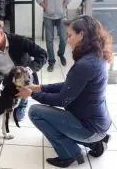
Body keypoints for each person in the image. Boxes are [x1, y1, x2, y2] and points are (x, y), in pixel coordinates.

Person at [16, 15, 112, 168]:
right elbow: (70, 85)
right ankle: (96, 144)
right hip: (99, 123)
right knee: (52, 117)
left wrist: (32, 94)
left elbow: (62, 100)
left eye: (70, 35)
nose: (68, 40)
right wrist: (40, 87)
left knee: (35, 112)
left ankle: (70, 154)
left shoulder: (85, 65)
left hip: (90, 127)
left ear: (82, 35)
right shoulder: (96, 56)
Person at [36, 0, 73, 72]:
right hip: (48, 16)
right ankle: (51, 61)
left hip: (61, 15)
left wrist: (63, 5)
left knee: (63, 38)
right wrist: (46, 7)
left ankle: (61, 53)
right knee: (49, 40)